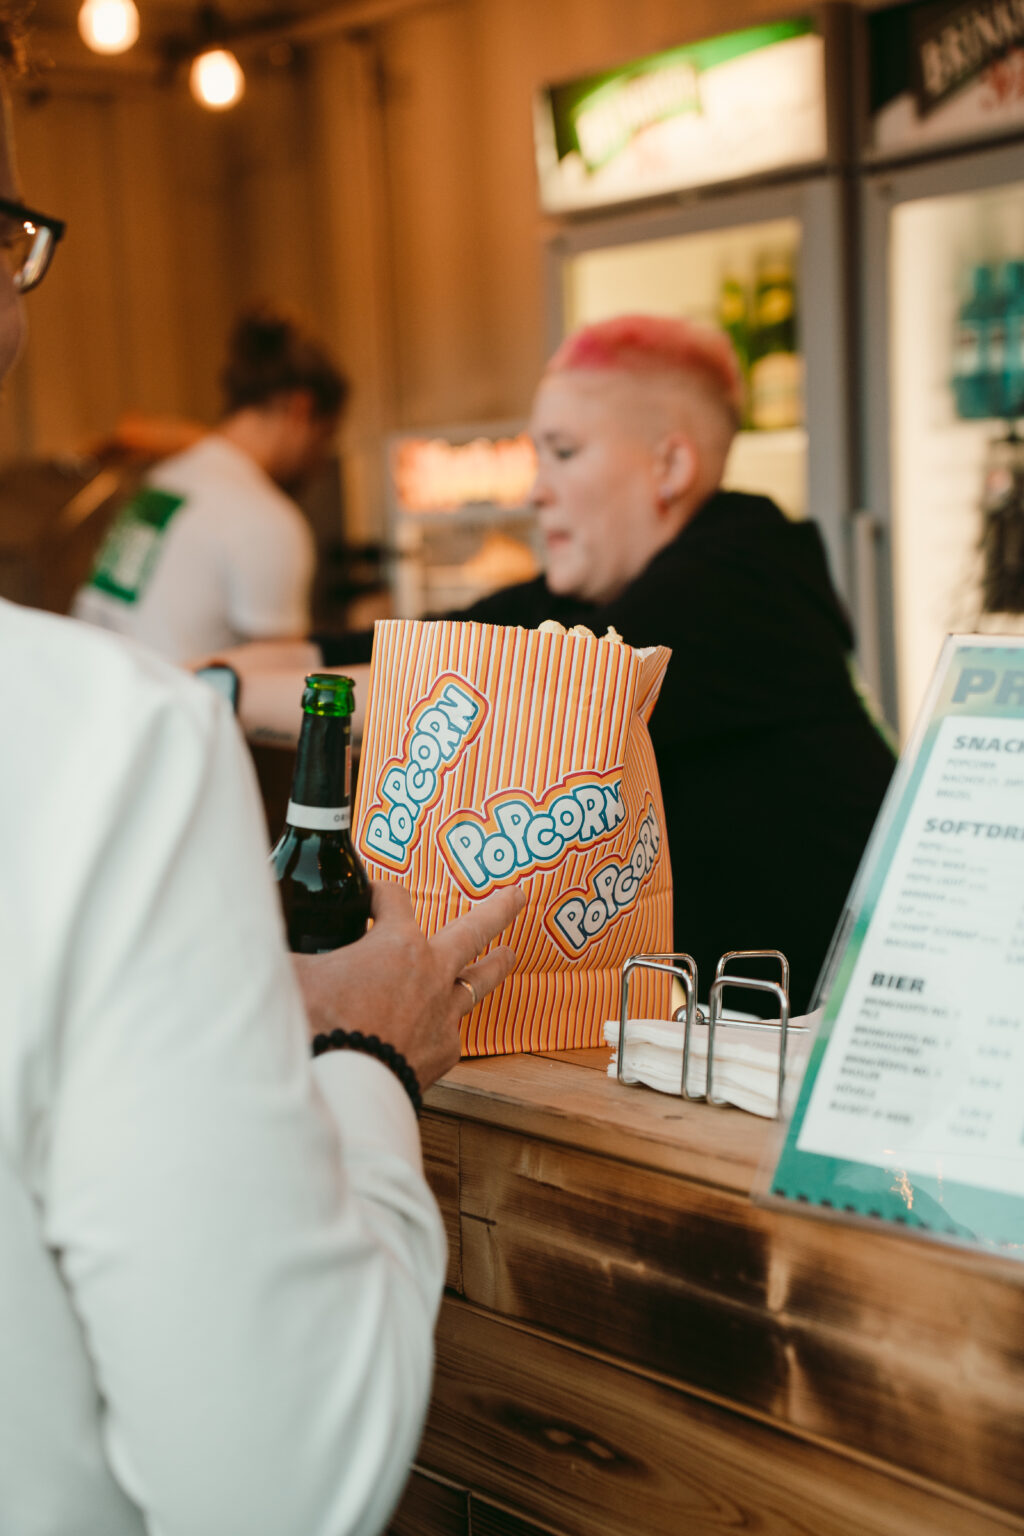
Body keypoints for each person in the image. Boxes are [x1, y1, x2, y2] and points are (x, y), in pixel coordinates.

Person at [0, 21, 524, 1534]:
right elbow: (282, 1488)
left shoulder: (165, 481)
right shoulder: (122, 740)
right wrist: (368, 1055)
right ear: (305, 419)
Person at [222, 315, 895, 1013]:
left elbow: (463, 695)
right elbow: (381, 650)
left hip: (851, 1018)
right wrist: (198, 671)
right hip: (735, 1019)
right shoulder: (595, 588)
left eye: (564, 453)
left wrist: (220, 694)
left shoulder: (743, 578)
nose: (534, 491)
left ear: (670, 466)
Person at [72, 303, 344, 664]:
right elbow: (285, 677)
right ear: (300, 410)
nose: (319, 462)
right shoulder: (265, 519)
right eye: (325, 437)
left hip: (92, 681)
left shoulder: (166, 480)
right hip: (165, 698)